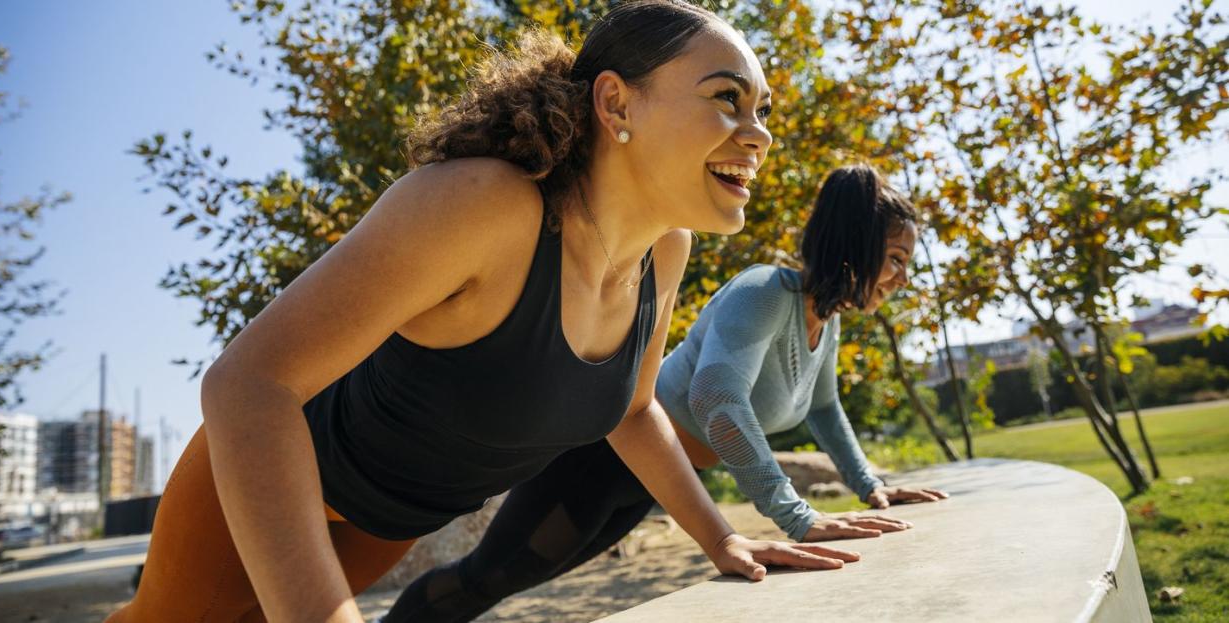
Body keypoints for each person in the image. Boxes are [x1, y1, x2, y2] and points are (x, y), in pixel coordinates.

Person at [107, 3, 861, 622]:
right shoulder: (483, 204)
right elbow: (247, 384)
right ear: (615, 102)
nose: (758, 133)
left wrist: (724, 540)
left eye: (762, 109)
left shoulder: (667, 251)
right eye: (726, 99)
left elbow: (633, 413)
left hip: (389, 519)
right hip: (277, 473)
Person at [390, 164, 948, 622]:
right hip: (603, 459)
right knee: (490, 575)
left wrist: (872, 486)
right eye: (896, 259)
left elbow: (825, 410)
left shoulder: (825, 323)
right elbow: (716, 398)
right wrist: (795, 514)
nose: (902, 278)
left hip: (656, 480)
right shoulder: (765, 291)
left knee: (509, 578)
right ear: (854, 245)